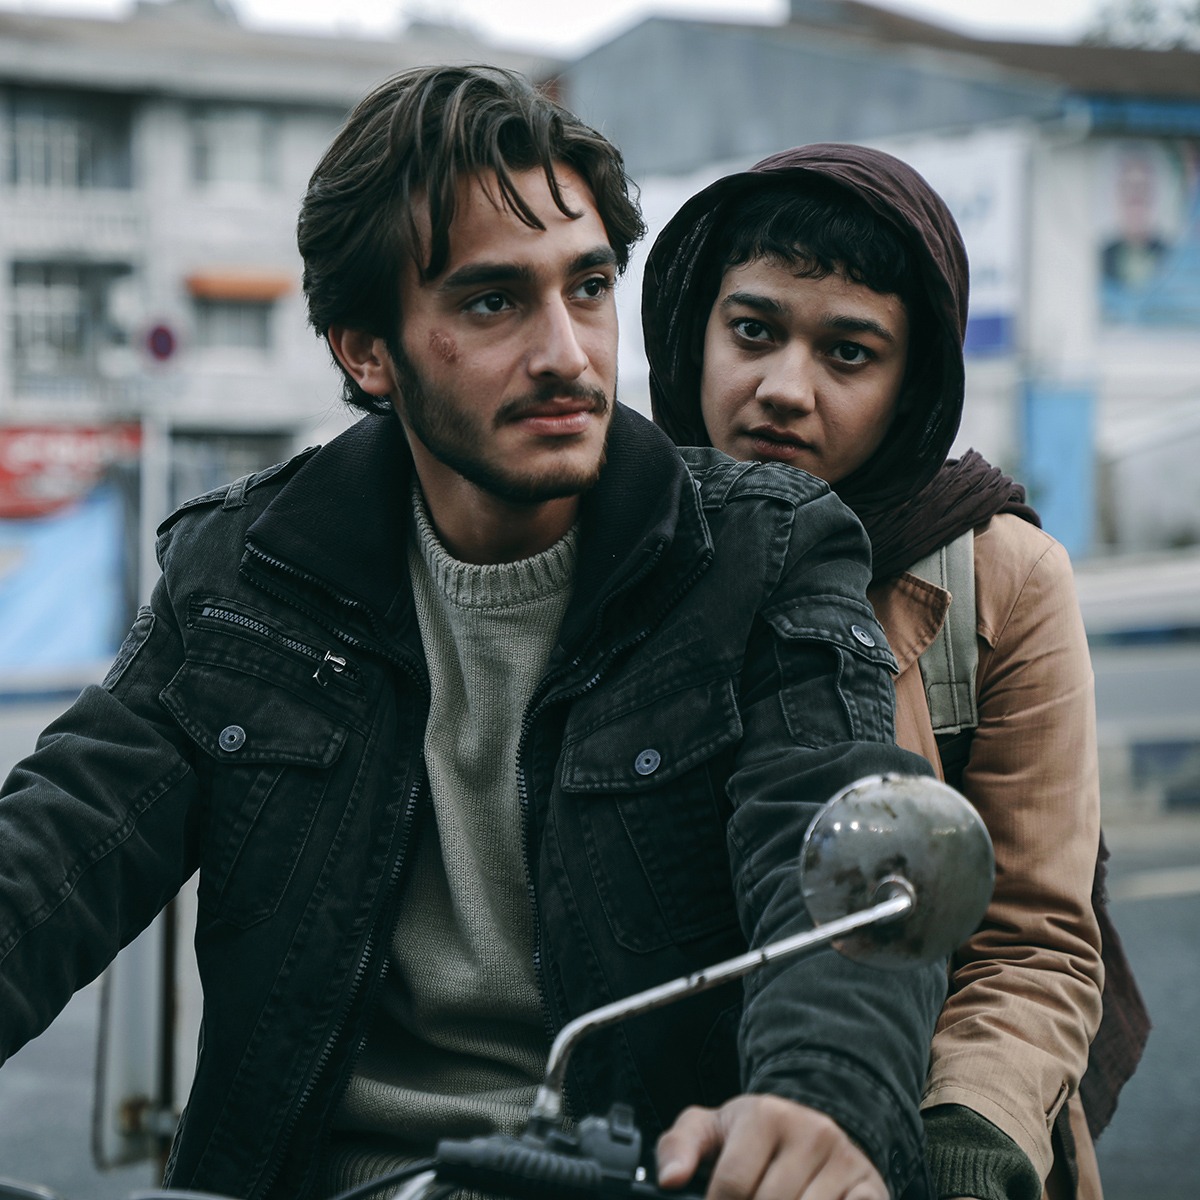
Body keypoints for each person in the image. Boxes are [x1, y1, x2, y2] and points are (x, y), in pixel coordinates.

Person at [0, 70, 949, 1200]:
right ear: (367, 352)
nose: (567, 353)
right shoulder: (246, 575)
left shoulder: (762, 552)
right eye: (493, 302)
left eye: (587, 287)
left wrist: (819, 1098)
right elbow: (56, 847)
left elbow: (832, 842)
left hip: (633, 1180)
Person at [643, 144, 1151, 1200]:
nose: (785, 388)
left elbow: (1032, 940)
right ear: (692, 330)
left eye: (849, 353)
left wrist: (965, 1130)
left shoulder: (1001, 579)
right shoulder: (612, 548)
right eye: (754, 331)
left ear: (913, 385)